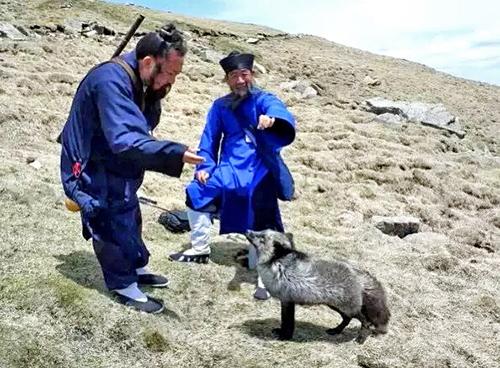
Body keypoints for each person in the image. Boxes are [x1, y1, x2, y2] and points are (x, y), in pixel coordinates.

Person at [59, 24, 204, 314]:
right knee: (107, 217)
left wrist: (157, 91)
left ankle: (134, 268)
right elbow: (126, 139)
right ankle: (122, 283)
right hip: (91, 164)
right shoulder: (110, 81)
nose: (172, 81)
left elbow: (140, 128)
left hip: (117, 162)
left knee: (128, 211)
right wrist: (174, 153)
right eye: (170, 74)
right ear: (149, 62)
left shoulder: (143, 82)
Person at [169, 51, 296, 300]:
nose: (240, 80)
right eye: (234, 76)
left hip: (259, 167)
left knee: (262, 211)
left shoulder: (264, 99)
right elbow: (210, 139)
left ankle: (265, 276)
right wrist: (204, 168)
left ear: (252, 75)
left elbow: (277, 110)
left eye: (244, 74)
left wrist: (272, 120)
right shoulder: (219, 106)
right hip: (228, 168)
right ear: (227, 79)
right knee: (198, 191)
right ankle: (200, 248)